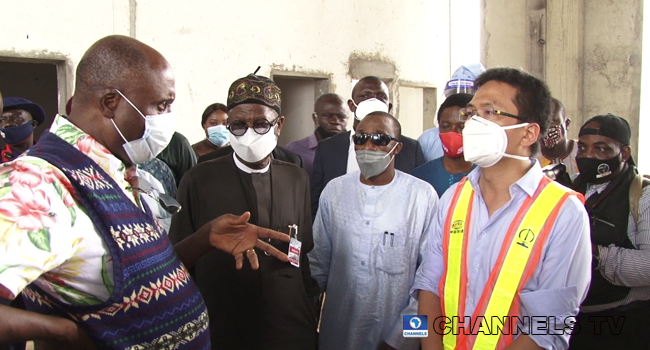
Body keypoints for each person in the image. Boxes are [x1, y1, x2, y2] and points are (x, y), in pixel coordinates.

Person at [0, 35, 292, 350]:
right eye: (162, 105)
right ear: (111, 103)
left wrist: (204, 238)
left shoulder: (111, 167)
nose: (167, 118)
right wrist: (65, 334)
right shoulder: (36, 183)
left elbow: (134, 280)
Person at [411, 67, 592, 350]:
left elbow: (549, 327)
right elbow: (428, 286)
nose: (473, 124)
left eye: (490, 112)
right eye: (471, 113)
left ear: (529, 133)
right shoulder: (453, 199)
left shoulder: (564, 213)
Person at [169, 73, 318, 350]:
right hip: (222, 321)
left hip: (288, 323)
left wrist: (308, 312)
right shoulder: (198, 179)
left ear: (279, 125)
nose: (249, 133)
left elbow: (301, 251)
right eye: (238, 125)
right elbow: (179, 259)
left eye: (261, 123)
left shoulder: (296, 178)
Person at [310, 111, 437, 350]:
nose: (368, 145)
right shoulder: (335, 191)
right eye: (360, 138)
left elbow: (430, 282)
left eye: (379, 139)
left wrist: (403, 340)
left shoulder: (422, 196)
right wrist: (307, 322)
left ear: (397, 147)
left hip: (398, 339)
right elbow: (318, 264)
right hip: (337, 333)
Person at [568, 114, 650, 350]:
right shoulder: (571, 187)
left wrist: (593, 254)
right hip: (575, 319)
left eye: (601, 148)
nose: (588, 156)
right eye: (582, 147)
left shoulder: (642, 196)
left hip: (626, 320)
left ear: (623, 153)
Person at [310, 76, 424, 218]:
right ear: (351, 105)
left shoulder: (410, 149)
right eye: (365, 96)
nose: (373, 101)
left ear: (388, 107)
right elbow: (316, 203)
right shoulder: (328, 148)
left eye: (380, 97)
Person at [418, 63, 486, 162]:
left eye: (462, 126)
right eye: (453, 93)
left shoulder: (492, 141)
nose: (458, 98)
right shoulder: (428, 139)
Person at [411, 93, 475, 196]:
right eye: (446, 126)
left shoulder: (487, 176)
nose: (452, 132)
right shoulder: (419, 177)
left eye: (461, 127)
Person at [285, 93, 349, 177]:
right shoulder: (295, 149)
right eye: (328, 115)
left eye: (341, 116)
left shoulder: (355, 147)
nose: (335, 121)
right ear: (315, 118)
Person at [539, 97, 579, 177]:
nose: (546, 126)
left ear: (567, 124)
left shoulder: (582, 151)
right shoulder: (527, 158)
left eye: (552, 121)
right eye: (540, 121)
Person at [0, 97, 46, 163]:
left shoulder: (51, 157)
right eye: (1, 121)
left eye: (17, 119)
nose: (8, 124)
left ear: (33, 124)